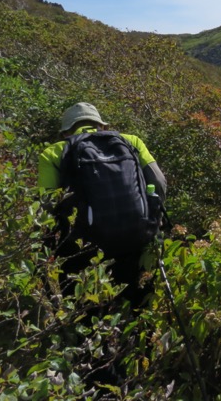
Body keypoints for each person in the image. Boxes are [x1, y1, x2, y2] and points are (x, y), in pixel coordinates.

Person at [38, 102, 167, 304]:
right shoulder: (131, 141)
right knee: (139, 304)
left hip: (82, 249)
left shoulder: (53, 153)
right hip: (136, 237)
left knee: (85, 310)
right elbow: (159, 182)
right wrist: (153, 218)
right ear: (102, 126)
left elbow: (44, 207)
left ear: (65, 133)